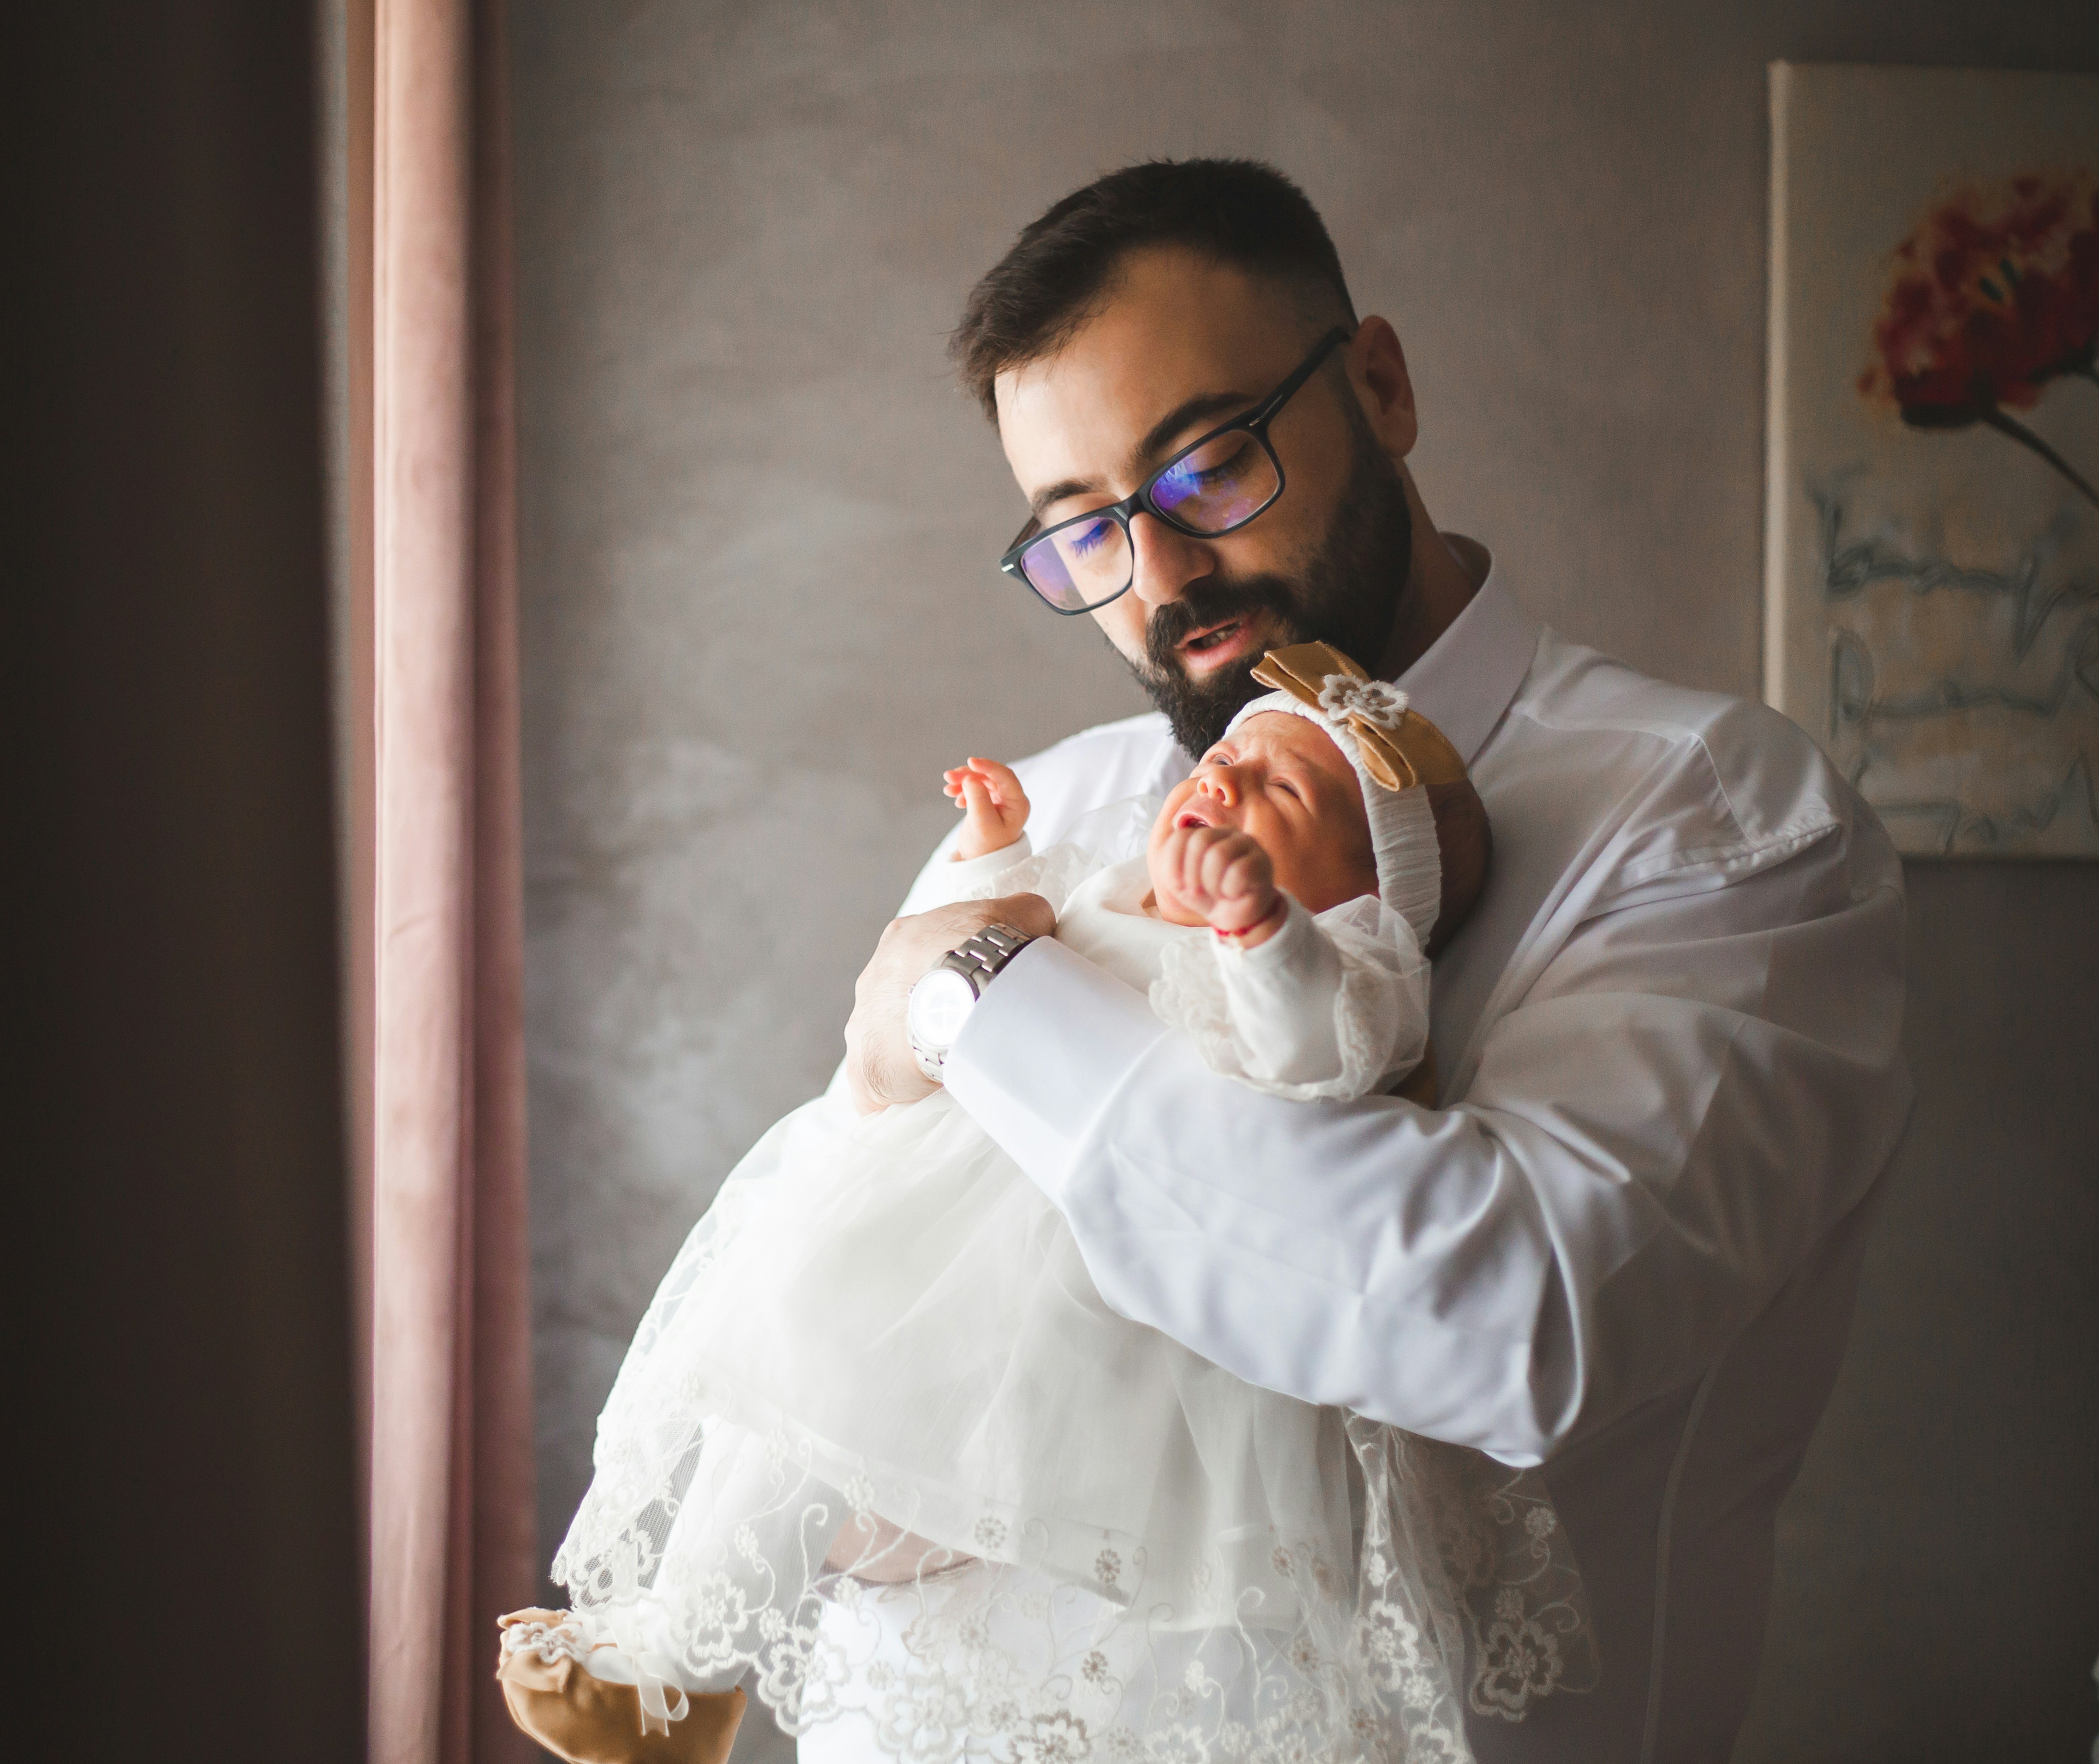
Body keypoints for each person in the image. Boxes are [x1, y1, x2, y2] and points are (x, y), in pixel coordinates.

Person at [819, 159, 1912, 1763]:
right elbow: (856, 1358)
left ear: (1382, 388)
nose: (1161, 577)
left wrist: (978, 1007)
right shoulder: (1051, 813)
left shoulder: (1720, 818)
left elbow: (1509, 1323)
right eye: (1086, 534)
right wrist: (875, 1075)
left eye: (1207, 468)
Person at [501, 644, 1598, 1764]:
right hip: (935, 1255)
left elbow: (1317, 1051)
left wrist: (1265, 937)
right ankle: (681, 1661)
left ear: (1366, 894)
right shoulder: (1113, 880)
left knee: (850, 1407)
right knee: (782, 1371)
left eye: (1281, 787)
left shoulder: (1347, 969)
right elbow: (999, 926)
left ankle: (688, 1667)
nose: (1222, 781)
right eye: (1223, 761)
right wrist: (996, 846)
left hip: (1068, 1335)